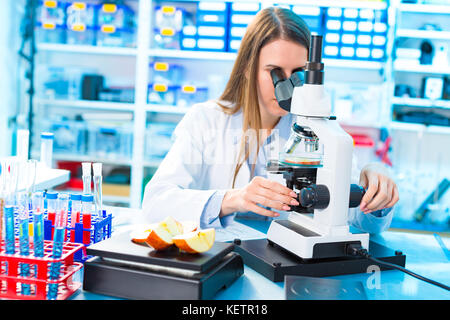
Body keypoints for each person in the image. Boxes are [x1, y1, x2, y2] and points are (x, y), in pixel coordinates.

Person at [142, 7, 398, 234]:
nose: (286, 88)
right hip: (219, 260)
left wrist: (375, 192)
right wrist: (233, 199)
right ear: (247, 68)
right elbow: (155, 204)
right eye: (275, 73)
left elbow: (361, 221)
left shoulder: (316, 129)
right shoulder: (206, 121)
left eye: (297, 74)